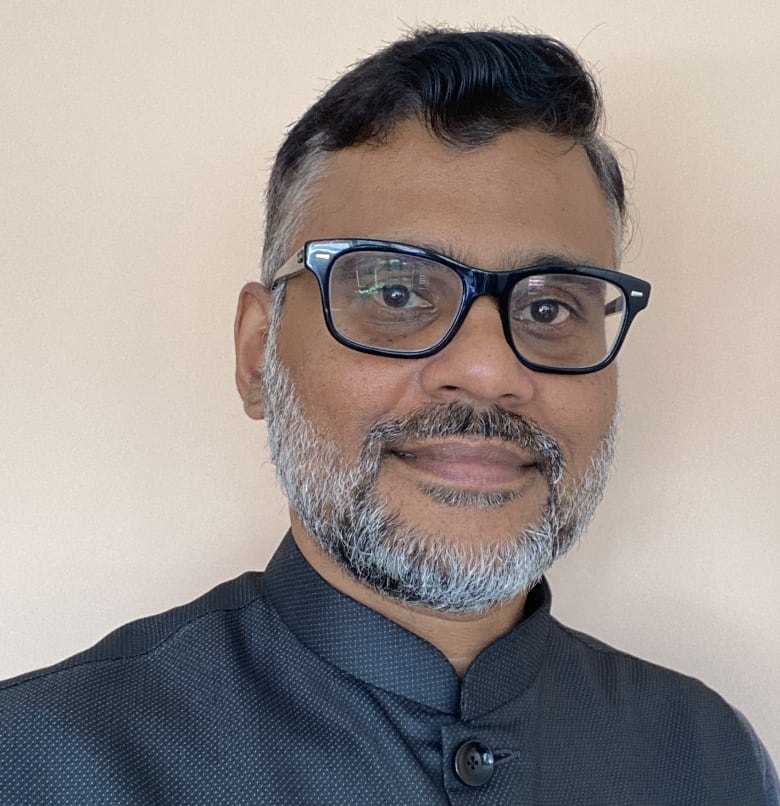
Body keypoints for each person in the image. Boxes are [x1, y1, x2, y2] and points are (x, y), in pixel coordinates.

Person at [0, 27, 776, 805]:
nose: (488, 370)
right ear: (257, 354)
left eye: (547, 306)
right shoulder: (39, 763)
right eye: (396, 294)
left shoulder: (709, 759)